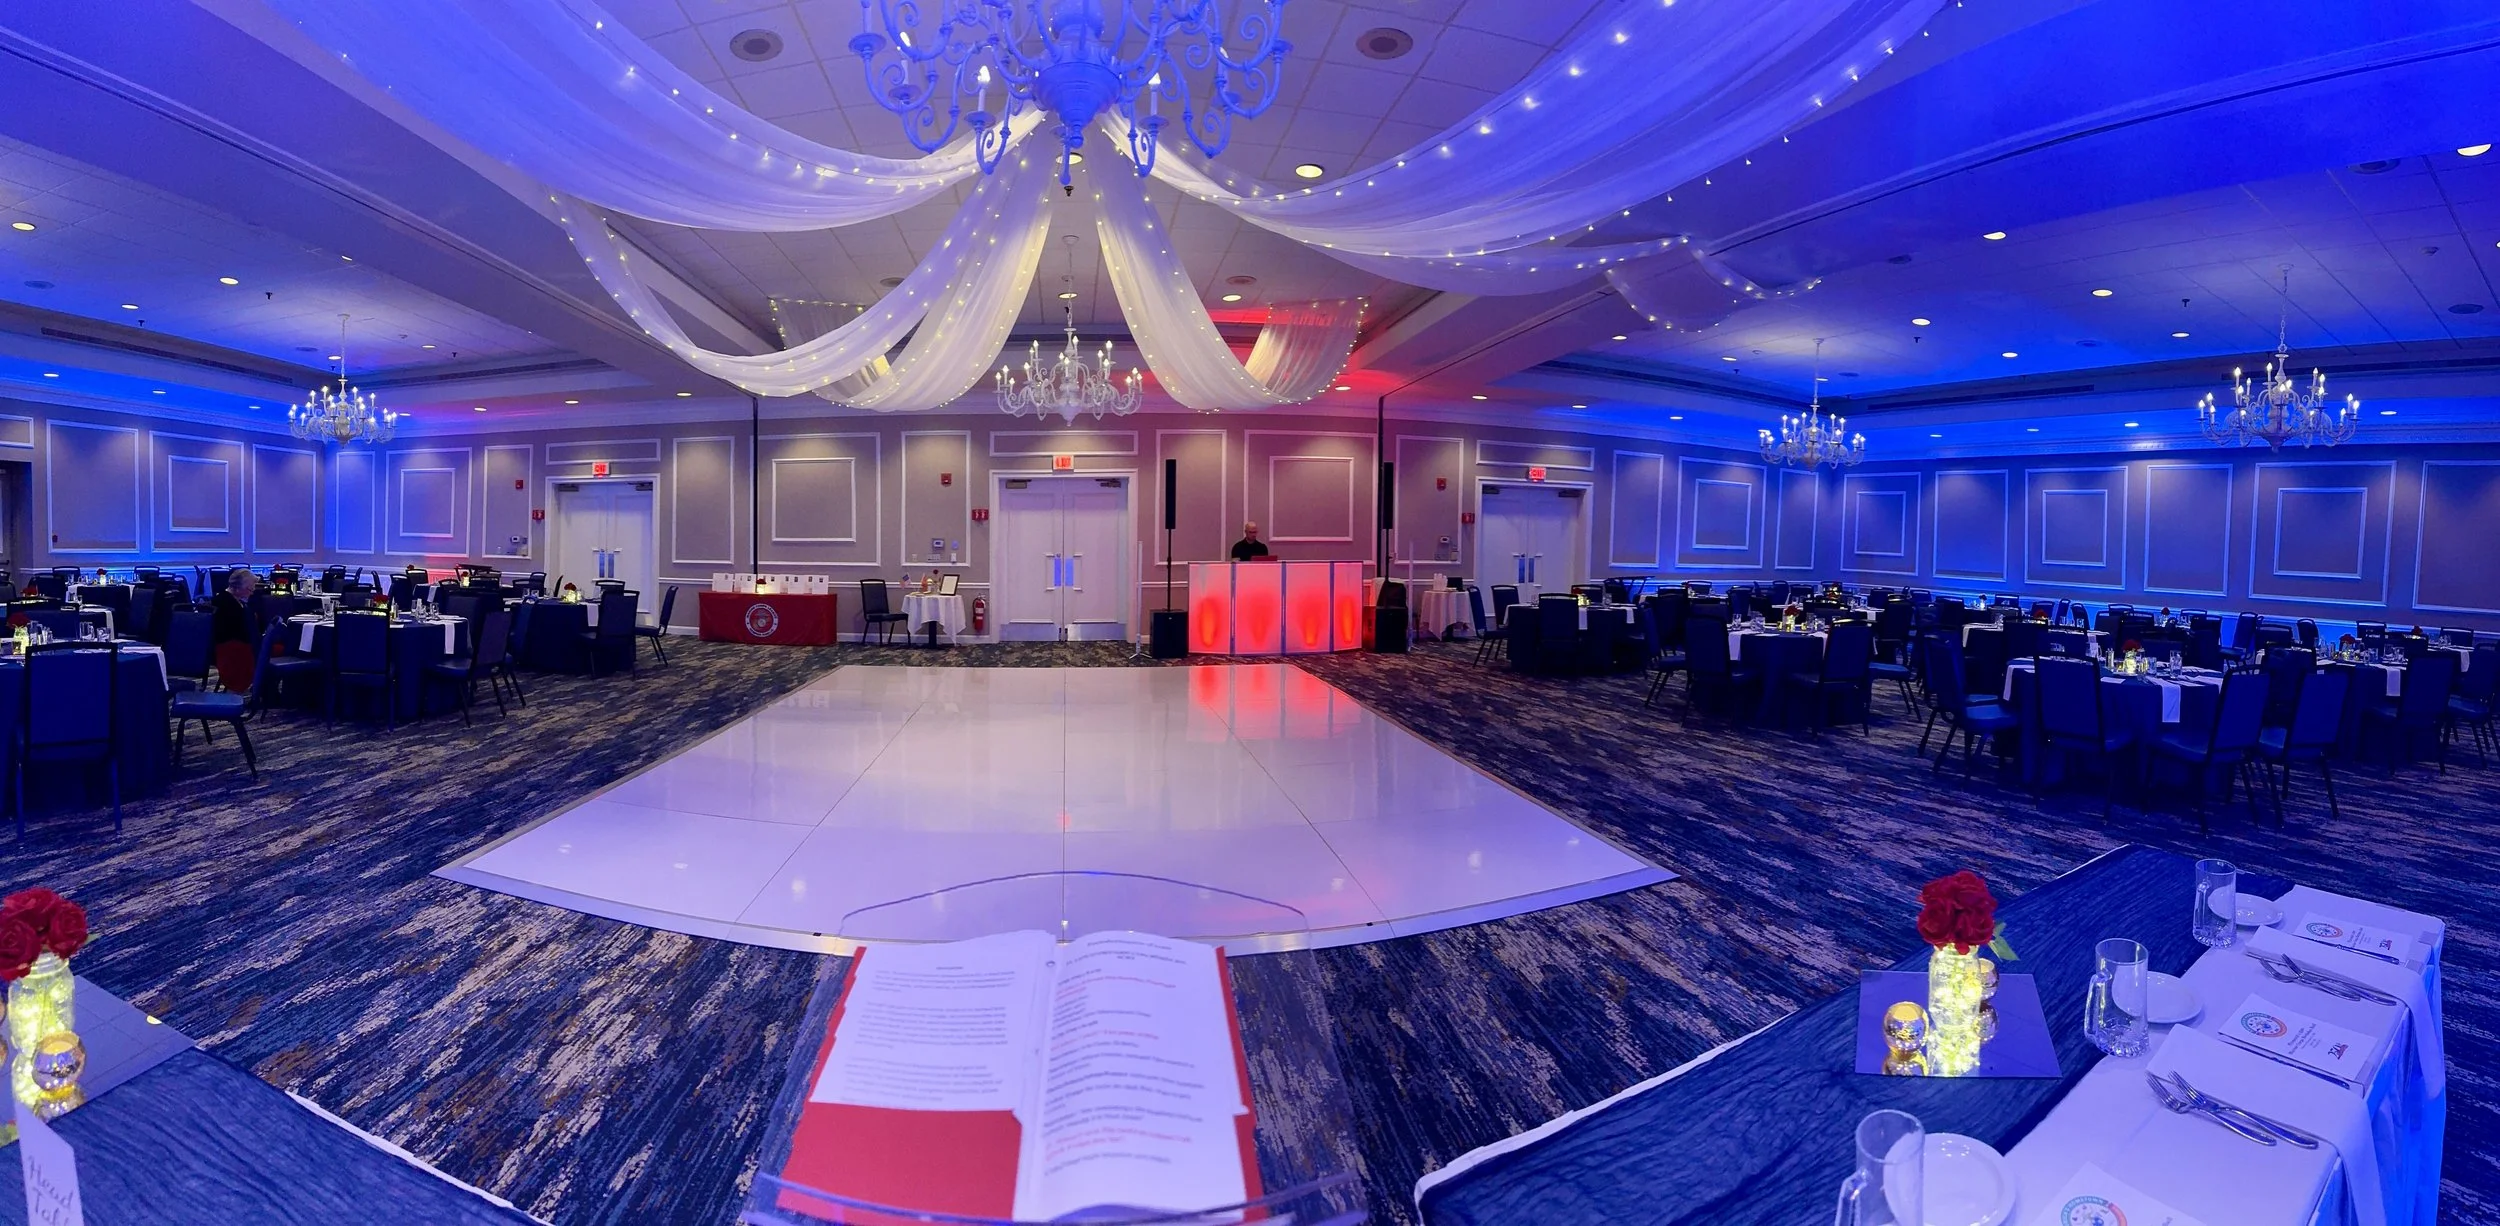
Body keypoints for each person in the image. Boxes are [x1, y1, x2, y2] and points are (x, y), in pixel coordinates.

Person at [210, 568, 259, 693]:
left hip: (242, 642)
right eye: (250, 589)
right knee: (276, 650)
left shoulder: (236, 600)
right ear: (237, 588)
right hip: (231, 647)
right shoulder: (224, 603)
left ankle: (264, 689)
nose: (252, 593)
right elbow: (237, 631)